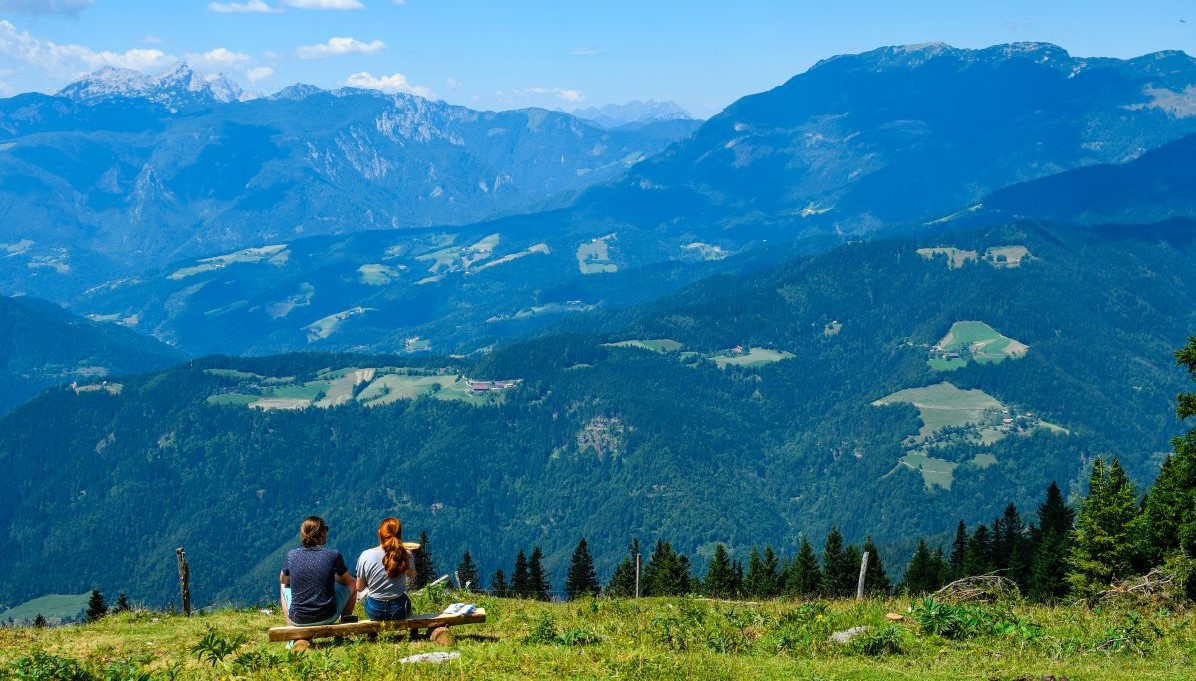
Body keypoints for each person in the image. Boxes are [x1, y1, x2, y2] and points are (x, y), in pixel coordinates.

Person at [279, 516, 358, 626]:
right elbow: (347, 580)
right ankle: (343, 632)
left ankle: (291, 632)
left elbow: (283, 580)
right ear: (321, 533)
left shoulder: (291, 555)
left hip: (298, 619)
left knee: (283, 586)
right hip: (327, 616)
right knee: (354, 582)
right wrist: (330, 576)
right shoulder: (333, 555)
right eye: (326, 529)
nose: (327, 532)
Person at [355, 517, 417, 621]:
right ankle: (413, 634)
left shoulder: (366, 555)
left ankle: (372, 635)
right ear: (399, 535)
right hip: (399, 609)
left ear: (379, 533)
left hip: (375, 610)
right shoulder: (406, 554)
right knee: (406, 603)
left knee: (370, 601)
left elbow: (359, 588)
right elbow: (412, 575)